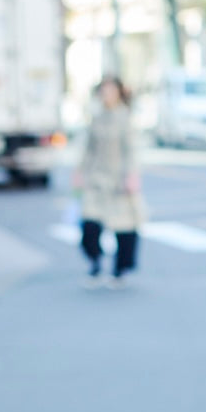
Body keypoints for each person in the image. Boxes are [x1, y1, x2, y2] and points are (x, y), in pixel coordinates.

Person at [75, 77, 145, 288]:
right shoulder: (97, 117)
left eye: (110, 90)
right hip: (97, 180)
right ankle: (95, 261)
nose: (106, 94)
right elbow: (88, 149)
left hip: (119, 181)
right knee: (89, 225)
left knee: (124, 227)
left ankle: (119, 270)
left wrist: (131, 175)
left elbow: (131, 150)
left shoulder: (125, 117)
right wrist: (80, 172)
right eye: (103, 90)